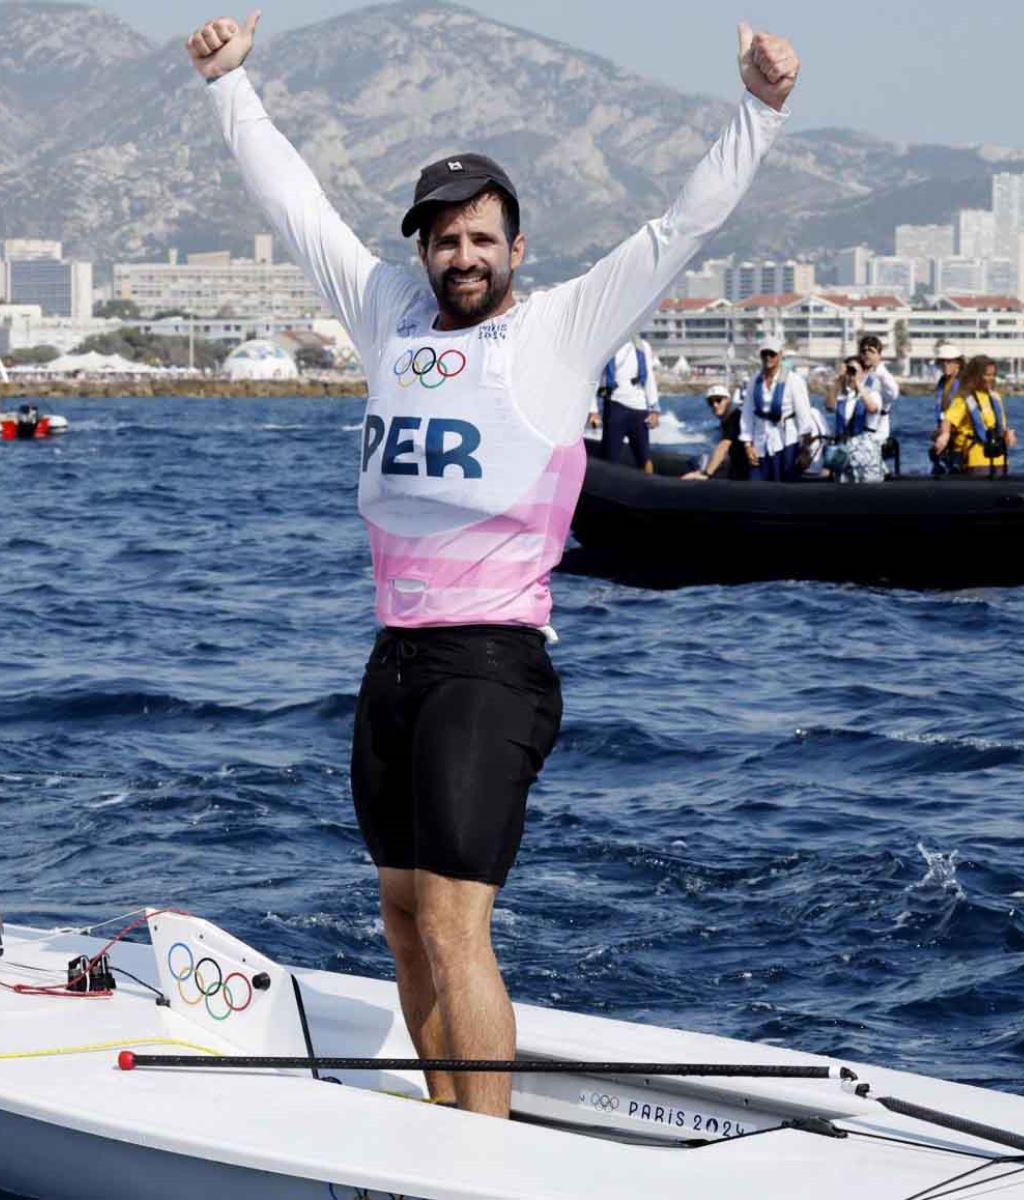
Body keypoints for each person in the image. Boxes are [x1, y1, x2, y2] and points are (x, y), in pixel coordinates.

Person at [186, 11, 799, 1118]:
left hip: (492, 663)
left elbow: (679, 229)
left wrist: (757, 112)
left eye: (481, 238)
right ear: (422, 248)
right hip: (398, 663)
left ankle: (488, 1160)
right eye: (443, 237)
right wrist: (232, 86)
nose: (461, 256)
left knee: (458, 923)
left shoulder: (560, 330)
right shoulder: (388, 315)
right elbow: (296, 209)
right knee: (403, 914)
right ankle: (447, 1130)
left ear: (517, 248)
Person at [933, 354, 1015, 475]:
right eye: (987, 375)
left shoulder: (995, 397)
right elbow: (948, 420)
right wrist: (945, 434)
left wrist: (1008, 434)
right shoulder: (964, 398)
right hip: (975, 460)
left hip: (999, 460)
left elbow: (999, 426)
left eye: (993, 375)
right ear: (975, 376)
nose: (990, 378)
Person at [740, 337, 808, 481]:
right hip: (760, 442)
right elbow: (747, 413)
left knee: (784, 486)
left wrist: (805, 448)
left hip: (785, 442)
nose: (768, 357)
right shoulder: (754, 381)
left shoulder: (793, 380)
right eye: (764, 354)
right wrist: (747, 444)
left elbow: (803, 415)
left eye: (772, 354)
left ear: (780, 355)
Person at [597, 339, 661, 471]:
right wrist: (593, 411)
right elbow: (594, 378)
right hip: (615, 406)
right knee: (610, 458)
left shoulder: (643, 345)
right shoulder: (606, 343)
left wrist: (654, 409)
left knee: (645, 458)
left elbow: (649, 377)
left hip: (639, 408)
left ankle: (650, 486)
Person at [827, 353, 888, 482]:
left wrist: (858, 383)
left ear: (863, 373)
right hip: (844, 451)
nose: (851, 375)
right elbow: (829, 406)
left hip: (865, 451)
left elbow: (872, 408)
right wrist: (839, 379)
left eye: (854, 371)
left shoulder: (872, 393)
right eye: (849, 371)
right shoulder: (843, 396)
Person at [682, 384, 750, 480]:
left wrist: (706, 474)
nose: (715, 405)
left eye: (718, 400)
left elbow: (724, 445)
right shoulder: (729, 418)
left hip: (746, 468)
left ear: (728, 400)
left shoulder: (734, 417)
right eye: (711, 402)